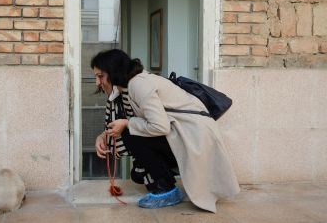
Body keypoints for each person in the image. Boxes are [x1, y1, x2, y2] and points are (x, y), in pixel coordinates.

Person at [91, 49, 239, 212]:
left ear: (113, 72)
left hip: (195, 137)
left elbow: (159, 126)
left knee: (130, 133)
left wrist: (127, 124)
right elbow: (124, 119)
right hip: (183, 133)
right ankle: (164, 182)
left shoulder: (138, 84)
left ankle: (167, 189)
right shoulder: (125, 88)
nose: (97, 82)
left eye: (100, 76)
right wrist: (103, 135)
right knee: (137, 169)